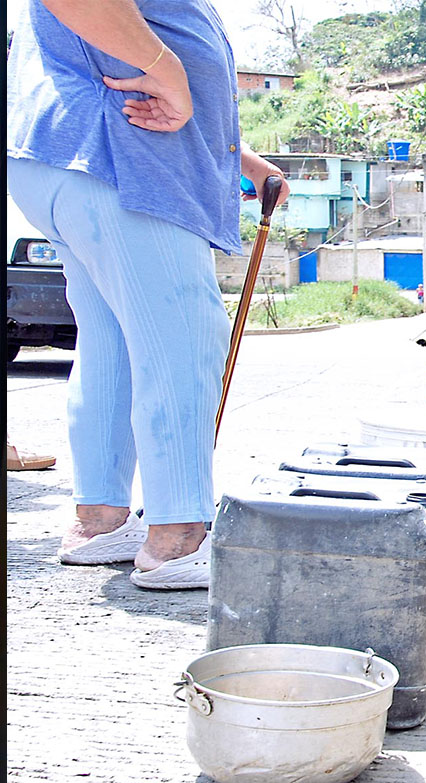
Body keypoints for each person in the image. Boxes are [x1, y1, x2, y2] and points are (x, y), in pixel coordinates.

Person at [7, 0, 290, 590]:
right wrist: (170, 68)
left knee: (111, 341)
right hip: (122, 157)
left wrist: (236, 158)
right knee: (182, 338)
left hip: (75, 153)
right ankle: (178, 537)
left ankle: (101, 522)